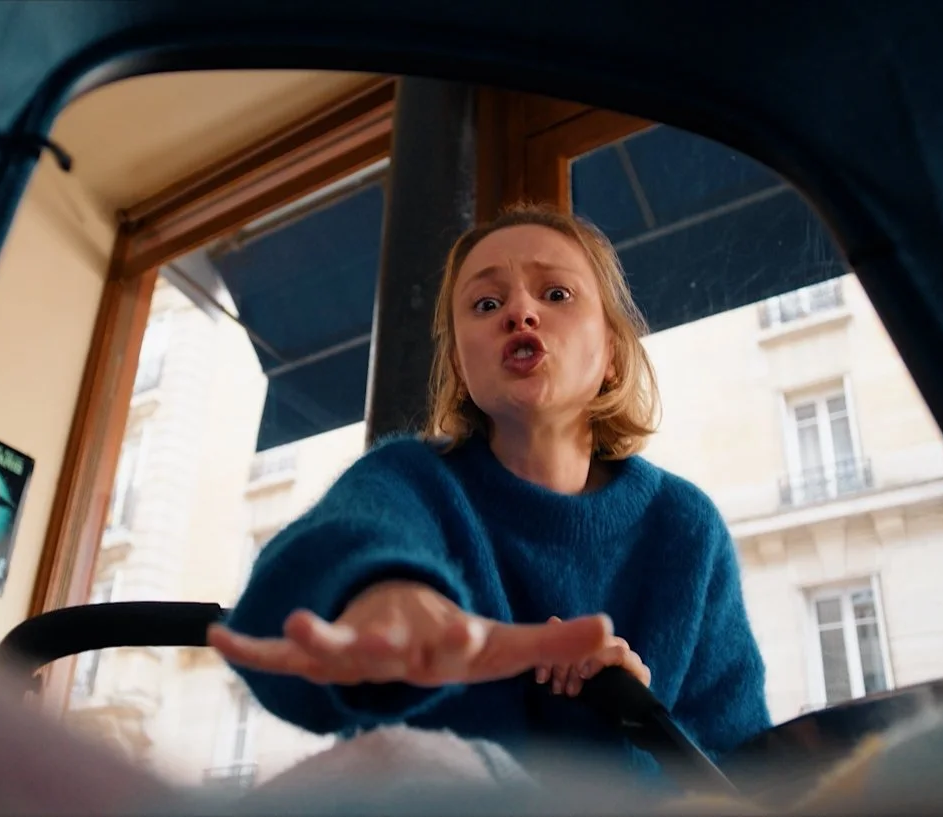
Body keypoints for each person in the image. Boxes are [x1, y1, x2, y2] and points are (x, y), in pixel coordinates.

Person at [208, 203, 773, 782]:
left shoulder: (686, 528)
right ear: (460, 363)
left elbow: (740, 776)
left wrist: (638, 721)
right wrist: (379, 590)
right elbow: (297, 592)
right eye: (486, 304)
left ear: (611, 351)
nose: (520, 312)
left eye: (556, 295)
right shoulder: (412, 480)